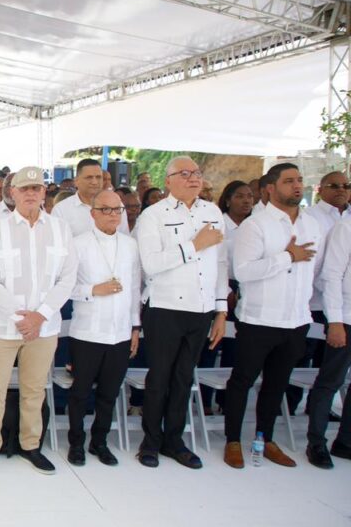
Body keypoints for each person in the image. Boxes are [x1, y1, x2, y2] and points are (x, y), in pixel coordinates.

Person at [0, 167, 77, 475]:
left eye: (36, 188)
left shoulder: (61, 229)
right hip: (1, 327)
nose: (31, 193)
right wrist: (20, 317)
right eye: (24, 188)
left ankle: (30, 445)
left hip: (43, 328)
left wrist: (40, 315)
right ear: (13, 193)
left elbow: (67, 278)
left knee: (34, 390)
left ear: (44, 192)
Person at [223, 164, 322, 469]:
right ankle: (233, 440)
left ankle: (265, 439)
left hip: (295, 319)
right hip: (259, 320)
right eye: (289, 181)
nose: (297, 185)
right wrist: (287, 257)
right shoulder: (256, 225)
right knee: (242, 381)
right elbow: (243, 271)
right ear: (270, 188)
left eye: (299, 180)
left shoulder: (311, 224)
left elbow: (314, 270)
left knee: (276, 384)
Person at [133, 156, 228, 469]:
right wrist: (193, 245)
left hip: (201, 309)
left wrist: (221, 310)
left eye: (196, 173)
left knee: (184, 378)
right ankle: (151, 441)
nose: (193, 178)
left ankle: (174, 440)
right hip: (165, 307)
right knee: (159, 378)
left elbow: (221, 264)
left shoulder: (212, 212)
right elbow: (151, 264)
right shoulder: (153, 215)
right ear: (169, 180)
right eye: (185, 173)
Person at [66, 190, 141, 467]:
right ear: (93, 213)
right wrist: (93, 290)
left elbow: (135, 288)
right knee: (80, 393)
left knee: (109, 394)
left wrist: (135, 327)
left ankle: (100, 442)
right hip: (87, 332)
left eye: (117, 210)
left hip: (120, 332)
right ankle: (76, 443)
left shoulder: (130, 245)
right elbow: (64, 287)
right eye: (105, 209)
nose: (112, 215)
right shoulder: (78, 244)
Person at [306, 216, 351, 468]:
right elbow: (331, 275)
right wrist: (334, 320)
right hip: (345, 318)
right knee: (330, 381)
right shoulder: (346, 227)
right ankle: (316, 443)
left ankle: (345, 441)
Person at [53, 158, 129, 236]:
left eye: (98, 177)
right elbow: (58, 240)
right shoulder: (61, 209)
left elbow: (124, 237)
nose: (94, 182)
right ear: (76, 181)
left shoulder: (117, 205)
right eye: (89, 177)